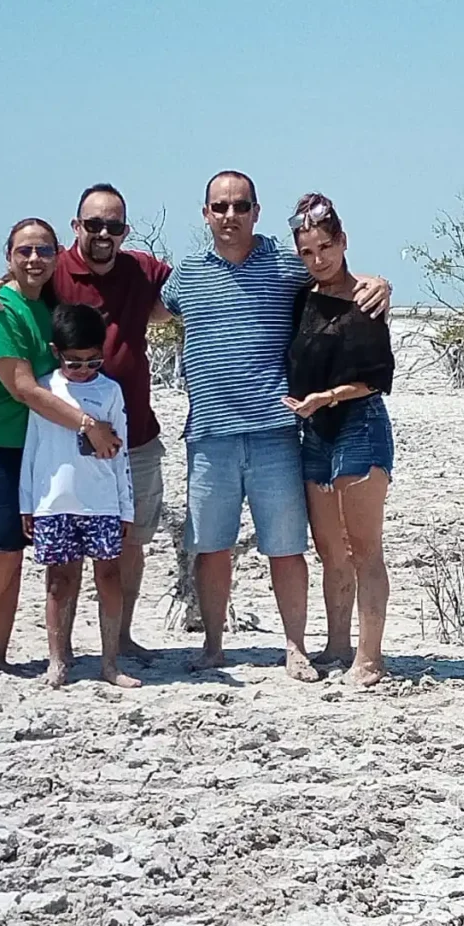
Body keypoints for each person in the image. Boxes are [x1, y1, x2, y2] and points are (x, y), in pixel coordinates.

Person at [159, 170, 391, 679]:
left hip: (277, 434)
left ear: (256, 212)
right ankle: (214, 646)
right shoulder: (187, 273)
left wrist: (379, 283)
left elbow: (336, 277)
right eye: (219, 207)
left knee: (287, 548)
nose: (229, 216)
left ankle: (295, 648)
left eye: (240, 206)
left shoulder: (288, 266)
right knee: (211, 548)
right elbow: (141, 307)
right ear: (205, 214)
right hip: (209, 436)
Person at [0, 184, 171, 661]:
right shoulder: (55, 267)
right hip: (60, 435)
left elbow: (192, 292)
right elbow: (16, 280)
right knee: (62, 558)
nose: (103, 233)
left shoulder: (143, 268)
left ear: (126, 230)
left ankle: (118, 640)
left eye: (113, 225)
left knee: (129, 542)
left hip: (135, 434)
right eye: (93, 224)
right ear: (76, 227)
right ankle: (62, 652)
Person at [0, 218, 120, 679]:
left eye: (43, 250)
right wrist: (89, 425)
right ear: (8, 256)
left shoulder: (48, 308)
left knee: (16, 554)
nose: (34, 259)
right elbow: (23, 388)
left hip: (28, 449)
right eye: (24, 251)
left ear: (57, 254)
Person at [283, 194, 395, 687]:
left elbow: (376, 377)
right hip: (314, 430)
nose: (318, 259)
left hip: (358, 423)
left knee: (364, 546)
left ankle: (370, 657)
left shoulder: (366, 298)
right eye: (308, 251)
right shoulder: (302, 297)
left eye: (325, 247)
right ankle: (337, 643)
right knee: (329, 547)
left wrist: (327, 396)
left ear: (343, 242)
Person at [20, 303, 140, 690]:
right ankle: (59, 660)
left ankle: (110, 662)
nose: (85, 370)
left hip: (103, 502)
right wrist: (28, 504)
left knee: (108, 576)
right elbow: (32, 451)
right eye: (75, 363)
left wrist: (126, 509)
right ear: (57, 352)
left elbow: (121, 454)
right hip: (54, 503)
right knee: (59, 581)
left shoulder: (110, 391)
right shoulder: (45, 390)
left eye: (93, 362)